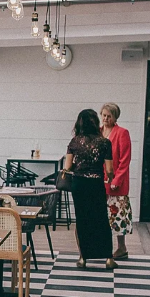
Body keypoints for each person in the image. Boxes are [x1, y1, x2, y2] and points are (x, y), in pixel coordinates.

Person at [63, 109, 117, 269]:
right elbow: (109, 169)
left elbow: (67, 167)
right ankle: (108, 258)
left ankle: (83, 258)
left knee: (82, 220)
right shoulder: (104, 142)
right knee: (101, 219)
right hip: (96, 184)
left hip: (79, 185)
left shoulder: (74, 142)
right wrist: (111, 178)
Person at [101, 103, 132, 260]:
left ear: (115, 117)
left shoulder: (122, 133)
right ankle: (103, 247)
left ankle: (121, 247)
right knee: (102, 216)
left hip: (115, 183)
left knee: (117, 215)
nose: (106, 119)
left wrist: (117, 180)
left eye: (109, 116)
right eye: (104, 115)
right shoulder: (99, 133)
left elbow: (125, 160)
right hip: (100, 181)